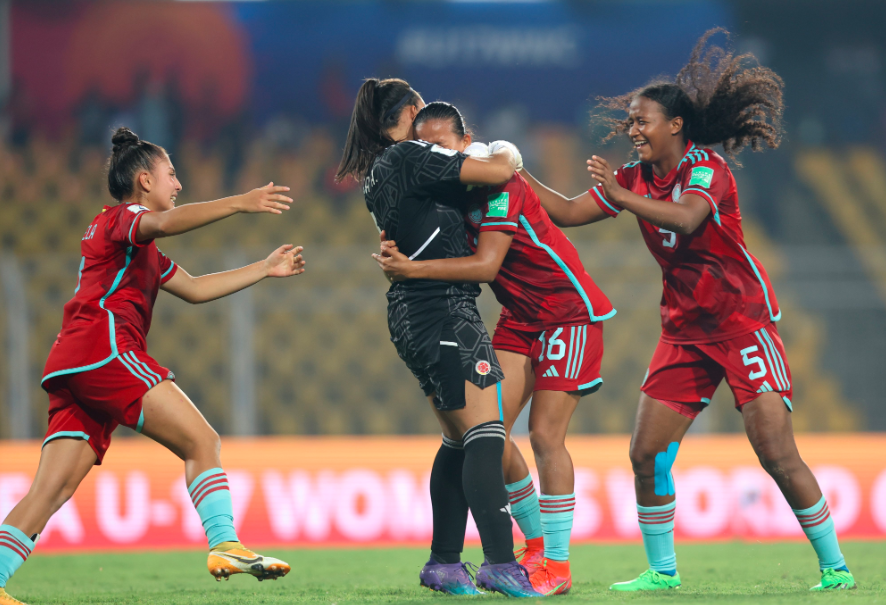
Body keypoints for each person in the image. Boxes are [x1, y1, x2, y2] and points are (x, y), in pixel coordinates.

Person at [522, 29, 856, 592]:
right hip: (683, 331)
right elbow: (567, 212)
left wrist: (622, 197)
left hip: (743, 324)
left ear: (674, 125)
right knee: (647, 454)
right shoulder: (633, 176)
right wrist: (512, 172)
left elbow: (686, 218)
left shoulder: (706, 168)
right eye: (629, 122)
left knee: (775, 451)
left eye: (641, 121)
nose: (632, 130)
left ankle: (837, 569)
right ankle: (662, 572)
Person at [0, 128, 306, 605]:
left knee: (51, 489)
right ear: (145, 180)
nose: (179, 184)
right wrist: (240, 202)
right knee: (203, 440)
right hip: (104, 350)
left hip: (72, 362)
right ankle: (225, 544)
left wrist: (263, 268)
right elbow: (165, 224)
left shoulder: (138, 246)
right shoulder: (123, 217)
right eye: (172, 175)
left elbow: (194, 288)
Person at [373, 101, 615, 595]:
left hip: (567, 313)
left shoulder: (498, 186)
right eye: (427, 146)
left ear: (466, 144)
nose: (434, 154)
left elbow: (486, 267)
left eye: (444, 145)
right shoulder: (459, 194)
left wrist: (412, 270)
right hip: (520, 318)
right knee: (488, 437)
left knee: (546, 437)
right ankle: (532, 547)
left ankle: (559, 567)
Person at [337, 79, 539, 598]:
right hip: (446, 307)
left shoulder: (376, 172)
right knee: (486, 435)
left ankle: (445, 563)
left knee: (457, 438)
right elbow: (498, 170)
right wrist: (505, 150)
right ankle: (499, 562)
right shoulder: (410, 154)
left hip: (410, 316)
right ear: (413, 111)